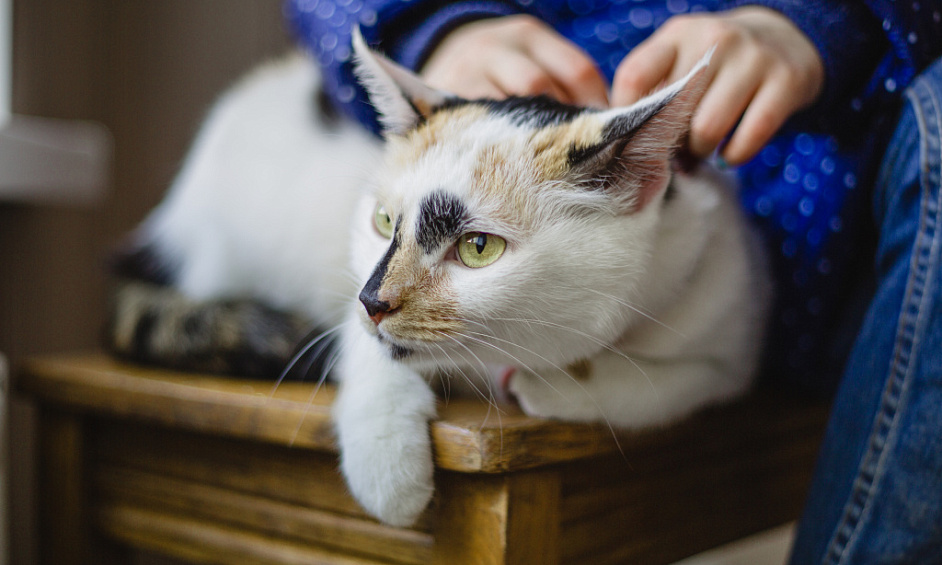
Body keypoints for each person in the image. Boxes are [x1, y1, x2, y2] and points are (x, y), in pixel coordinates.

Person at [287, 1, 942, 562]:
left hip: (832, 244)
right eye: (382, 222)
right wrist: (432, 26)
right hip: (468, 89)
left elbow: (722, 361)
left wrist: (826, 17)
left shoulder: (707, 272)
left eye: (478, 245)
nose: (378, 298)